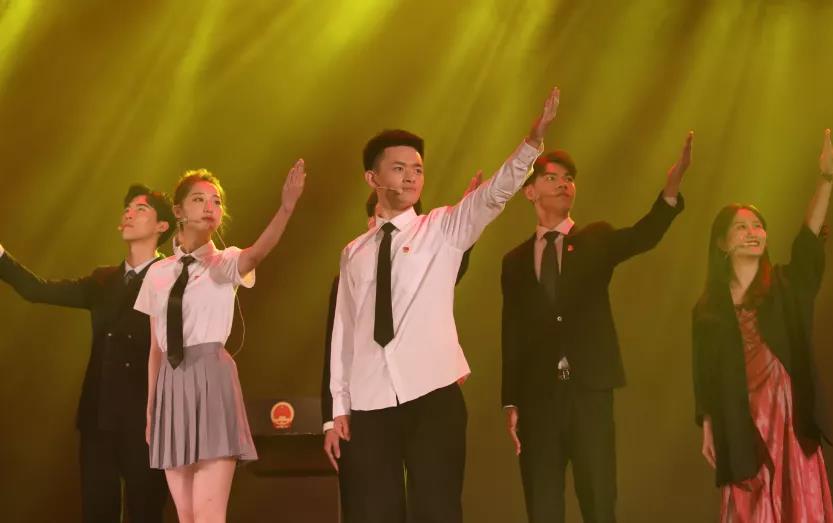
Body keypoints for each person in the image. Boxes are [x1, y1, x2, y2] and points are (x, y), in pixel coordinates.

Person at [328, 87, 559, 523]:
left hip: (432, 394)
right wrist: (338, 408)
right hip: (370, 400)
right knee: (374, 513)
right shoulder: (353, 252)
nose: (410, 177)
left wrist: (532, 143)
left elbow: (493, 195)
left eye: (417, 169)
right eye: (398, 168)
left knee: (437, 510)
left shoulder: (442, 228)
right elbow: (344, 333)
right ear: (372, 178)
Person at [501, 133, 693, 522]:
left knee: (599, 500)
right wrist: (511, 400)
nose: (563, 184)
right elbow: (512, 332)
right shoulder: (515, 260)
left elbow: (643, 235)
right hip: (539, 399)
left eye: (569, 178)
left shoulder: (595, 240)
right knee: (542, 505)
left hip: (589, 392)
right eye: (552, 177)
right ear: (530, 191)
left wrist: (672, 187)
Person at [134, 162, 307, 522]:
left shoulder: (224, 262)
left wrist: (286, 208)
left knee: (209, 515)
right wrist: (151, 408)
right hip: (170, 386)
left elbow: (257, 253)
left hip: (211, 378)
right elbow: (155, 348)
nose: (210, 207)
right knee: (186, 516)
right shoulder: (157, 273)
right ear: (178, 211)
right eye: (199, 199)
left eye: (216, 201)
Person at [0, 184, 173, 522]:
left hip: (147, 420)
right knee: (97, 511)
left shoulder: (173, 278)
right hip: (98, 416)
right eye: (127, 208)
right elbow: (37, 290)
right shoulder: (103, 280)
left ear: (162, 226)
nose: (129, 213)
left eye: (141, 209)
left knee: (146, 511)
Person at [692, 130, 833, 522]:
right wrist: (708, 425)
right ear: (722, 243)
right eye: (742, 227)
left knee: (795, 501)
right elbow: (705, 374)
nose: (753, 233)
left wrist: (825, 179)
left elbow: (809, 240)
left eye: (758, 226)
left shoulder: (786, 287)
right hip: (740, 420)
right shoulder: (707, 310)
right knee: (750, 504)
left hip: (787, 416)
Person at [321, 178, 481, 520]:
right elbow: (337, 347)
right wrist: (333, 415)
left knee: (435, 503)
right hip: (370, 402)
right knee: (376, 505)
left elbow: (454, 260)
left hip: (428, 395)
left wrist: (466, 221)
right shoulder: (351, 264)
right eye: (378, 216)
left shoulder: (430, 261)